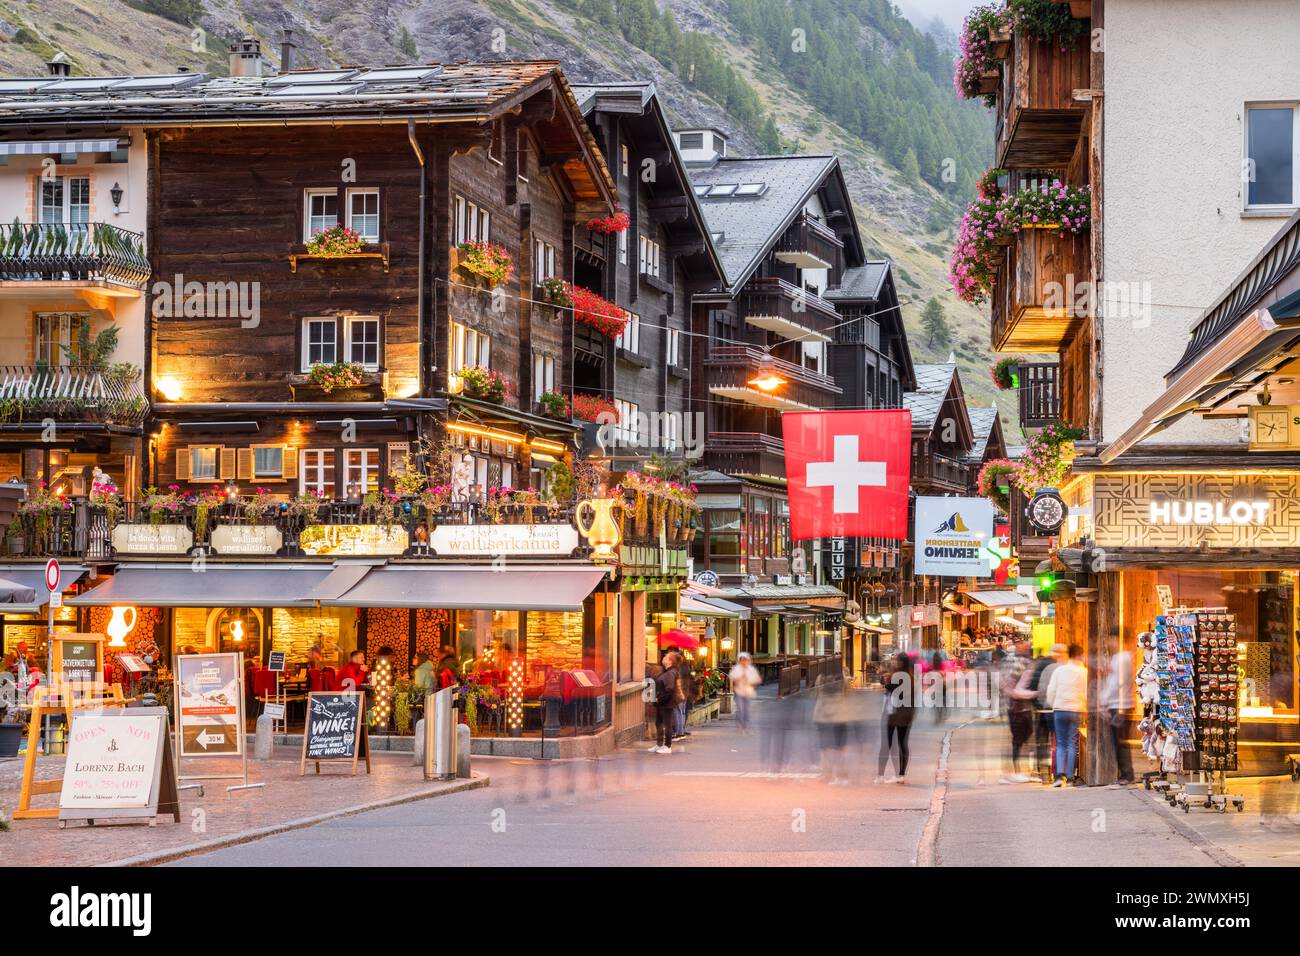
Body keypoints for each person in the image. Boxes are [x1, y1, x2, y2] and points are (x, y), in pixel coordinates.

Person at [1044, 643, 1087, 787]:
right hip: (1075, 709)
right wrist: (1084, 707)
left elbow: (1051, 690)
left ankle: (1058, 777)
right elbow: (1086, 694)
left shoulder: (1060, 670)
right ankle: (1069, 778)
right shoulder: (1083, 672)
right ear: (1080, 655)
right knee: (1072, 743)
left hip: (1059, 709)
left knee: (1060, 743)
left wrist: (1054, 704)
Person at [1001, 638, 1037, 783]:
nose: (1027, 648)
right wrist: (1034, 693)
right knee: (1018, 740)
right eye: (1024, 645)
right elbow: (1015, 690)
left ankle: (1018, 770)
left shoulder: (1016, 663)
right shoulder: (1020, 665)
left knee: (1024, 738)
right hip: (1018, 709)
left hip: (1018, 708)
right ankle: (1015, 771)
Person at [876, 652, 916, 784]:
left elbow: (892, 688)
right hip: (904, 714)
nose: (893, 662)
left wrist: (885, 684)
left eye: (896, 660)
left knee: (888, 744)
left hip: (895, 714)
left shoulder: (901, 676)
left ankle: (882, 776)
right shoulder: (908, 676)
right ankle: (900, 775)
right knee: (901, 744)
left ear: (901, 662)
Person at [1101, 646, 1136, 786]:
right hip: (1122, 704)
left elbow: (1115, 683)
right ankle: (1126, 774)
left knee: (1120, 742)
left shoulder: (1120, 659)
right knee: (1120, 742)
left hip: (1119, 705)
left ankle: (1126, 775)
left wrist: (1103, 700)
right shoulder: (1124, 657)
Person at [650, 652, 679, 754]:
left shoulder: (670, 673)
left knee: (667, 724)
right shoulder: (667, 671)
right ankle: (659, 744)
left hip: (667, 704)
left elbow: (670, 689)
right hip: (662, 703)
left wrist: (660, 699)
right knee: (659, 723)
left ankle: (667, 746)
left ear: (670, 661)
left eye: (666, 657)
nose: (664, 657)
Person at [728, 652, 761, 732]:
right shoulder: (737, 668)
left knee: (747, 709)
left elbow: (757, 679)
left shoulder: (751, 669)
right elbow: (731, 676)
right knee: (740, 709)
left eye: (745, 660)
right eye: (742, 660)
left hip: (748, 692)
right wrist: (739, 677)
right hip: (739, 691)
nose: (744, 661)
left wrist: (749, 680)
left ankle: (746, 725)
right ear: (740, 661)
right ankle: (739, 724)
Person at [673, 649, 694, 740]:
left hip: (679, 691)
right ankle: (681, 730)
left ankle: (678, 732)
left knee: (677, 711)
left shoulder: (678, 667)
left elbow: (677, 680)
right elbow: (691, 677)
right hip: (686, 691)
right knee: (682, 711)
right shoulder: (686, 666)